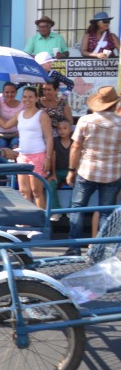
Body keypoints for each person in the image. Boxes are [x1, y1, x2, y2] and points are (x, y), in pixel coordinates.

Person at [65, 86, 121, 256]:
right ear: (114, 104)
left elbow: (75, 147)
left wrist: (71, 170)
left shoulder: (85, 120)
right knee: (105, 212)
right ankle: (99, 250)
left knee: (77, 208)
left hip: (87, 170)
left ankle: (74, 248)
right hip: (112, 172)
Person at [1, 86, 53, 209]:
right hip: (22, 156)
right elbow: (6, 125)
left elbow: (49, 137)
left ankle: (40, 223)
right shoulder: (20, 114)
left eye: (30, 97)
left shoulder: (42, 115)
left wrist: (48, 158)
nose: (27, 99)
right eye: (24, 97)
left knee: (37, 191)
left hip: (38, 156)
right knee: (24, 192)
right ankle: (26, 223)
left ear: (36, 98)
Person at [48, 118, 73, 220]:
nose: (62, 131)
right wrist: (53, 174)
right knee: (51, 184)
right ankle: (56, 211)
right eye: (59, 129)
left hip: (71, 171)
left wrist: (73, 172)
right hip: (57, 171)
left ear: (70, 129)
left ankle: (71, 210)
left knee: (80, 185)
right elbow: (53, 158)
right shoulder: (54, 141)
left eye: (65, 128)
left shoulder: (74, 142)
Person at [0, 82, 23, 149]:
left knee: (15, 144)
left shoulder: (22, 105)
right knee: (2, 145)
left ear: (16, 93)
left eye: (12, 92)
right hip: (0, 134)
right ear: (3, 93)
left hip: (15, 134)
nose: (10, 94)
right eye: (7, 92)